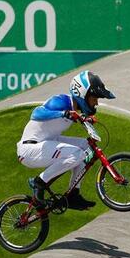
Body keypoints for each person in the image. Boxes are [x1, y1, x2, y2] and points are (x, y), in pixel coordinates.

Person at [17, 70, 116, 210]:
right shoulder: (61, 102)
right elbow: (36, 113)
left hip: (47, 142)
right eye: (94, 98)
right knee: (77, 153)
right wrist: (63, 113)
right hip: (29, 149)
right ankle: (39, 182)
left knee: (85, 146)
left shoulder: (74, 109)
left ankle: (73, 195)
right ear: (82, 94)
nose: (96, 103)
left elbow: (75, 117)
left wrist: (85, 119)